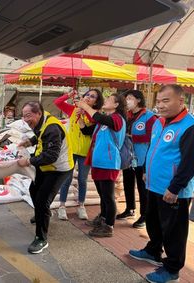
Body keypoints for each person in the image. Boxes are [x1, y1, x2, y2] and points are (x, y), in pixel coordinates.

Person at [129, 84, 194, 283]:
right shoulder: (159, 122)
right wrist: (147, 172)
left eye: (166, 101)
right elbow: (152, 148)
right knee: (154, 221)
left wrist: (174, 188)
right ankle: (153, 251)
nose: (161, 105)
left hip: (173, 191)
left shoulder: (189, 126)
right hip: (154, 185)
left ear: (180, 101)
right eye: (158, 101)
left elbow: (189, 163)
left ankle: (172, 269)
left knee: (174, 232)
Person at [18, 101, 74, 254]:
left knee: (43, 199)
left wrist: (28, 161)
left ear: (39, 113)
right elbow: (40, 135)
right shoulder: (43, 122)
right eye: (24, 117)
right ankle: (41, 215)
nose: (26, 120)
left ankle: (41, 239)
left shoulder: (52, 128)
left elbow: (51, 156)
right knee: (33, 189)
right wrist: (30, 141)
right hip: (46, 166)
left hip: (59, 169)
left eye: (28, 116)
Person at [76, 93, 126, 237]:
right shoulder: (104, 121)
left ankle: (109, 226)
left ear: (116, 105)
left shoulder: (117, 119)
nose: (106, 100)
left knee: (108, 196)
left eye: (110, 99)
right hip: (98, 161)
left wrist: (85, 106)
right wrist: (80, 119)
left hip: (109, 162)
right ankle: (103, 218)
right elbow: (87, 131)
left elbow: (100, 117)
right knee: (102, 195)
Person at [54, 89, 104, 220]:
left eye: (93, 97)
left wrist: (84, 112)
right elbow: (57, 102)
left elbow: (90, 128)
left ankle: (81, 206)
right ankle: (62, 206)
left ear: (96, 102)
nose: (89, 97)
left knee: (82, 180)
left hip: (85, 151)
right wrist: (68, 95)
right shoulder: (73, 109)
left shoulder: (96, 115)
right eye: (87, 95)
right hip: (70, 150)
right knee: (66, 179)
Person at [116, 90, 157, 228]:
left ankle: (144, 215)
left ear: (138, 100)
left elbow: (152, 137)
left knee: (142, 188)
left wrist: (132, 137)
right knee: (128, 184)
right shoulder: (127, 116)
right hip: (128, 157)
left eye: (130, 98)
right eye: (126, 98)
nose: (127, 101)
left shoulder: (149, 116)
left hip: (142, 158)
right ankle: (129, 209)